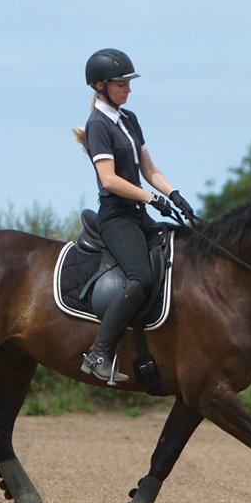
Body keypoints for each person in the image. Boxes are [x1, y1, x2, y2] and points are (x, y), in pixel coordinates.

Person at [72, 48, 195, 383]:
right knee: (140, 277)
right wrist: (151, 198)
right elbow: (110, 180)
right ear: (100, 85)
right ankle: (98, 354)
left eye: (128, 83)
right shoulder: (98, 125)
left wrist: (174, 194)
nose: (128, 89)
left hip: (139, 212)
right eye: (121, 84)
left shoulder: (129, 119)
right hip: (116, 217)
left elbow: (149, 169)